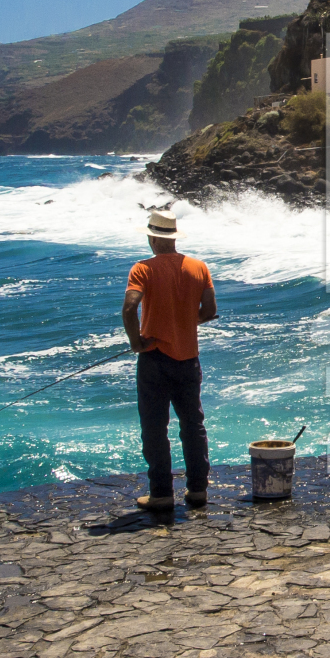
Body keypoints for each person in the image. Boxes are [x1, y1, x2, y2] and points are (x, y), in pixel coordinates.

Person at [121, 210, 217, 511]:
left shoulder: (142, 269)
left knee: (154, 426)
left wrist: (136, 342)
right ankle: (198, 490)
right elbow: (210, 310)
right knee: (193, 424)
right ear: (173, 238)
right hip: (189, 358)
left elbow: (129, 308)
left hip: (154, 359)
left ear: (152, 238)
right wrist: (185, 324)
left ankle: (161, 493)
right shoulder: (198, 267)